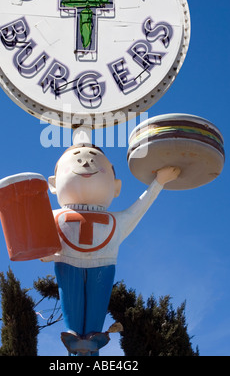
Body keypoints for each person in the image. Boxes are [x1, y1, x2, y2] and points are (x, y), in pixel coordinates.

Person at [41, 143, 180, 355]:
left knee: (95, 321)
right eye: (77, 158)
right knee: (73, 320)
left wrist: (158, 183)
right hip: (68, 264)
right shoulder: (52, 216)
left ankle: (90, 344)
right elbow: (32, 234)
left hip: (103, 267)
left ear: (116, 186)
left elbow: (139, 208)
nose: (86, 162)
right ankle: (78, 344)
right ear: (53, 184)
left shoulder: (116, 221)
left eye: (94, 160)